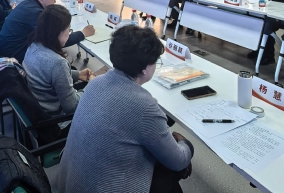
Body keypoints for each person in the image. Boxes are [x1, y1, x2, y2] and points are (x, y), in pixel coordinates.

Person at [56, 26, 194, 193]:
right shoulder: (145, 107)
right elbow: (178, 160)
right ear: (144, 69)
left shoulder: (96, 83)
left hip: (69, 185)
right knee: (175, 168)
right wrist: (185, 143)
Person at [22, 5, 94, 137]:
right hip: (57, 124)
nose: (69, 33)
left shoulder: (34, 45)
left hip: (41, 111)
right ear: (57, 32)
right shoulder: (57, 62)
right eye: (68, 30)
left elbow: (46, 75)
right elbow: (72, 107)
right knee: (101, 99)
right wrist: (92, 87)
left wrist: (77, 74)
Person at [0, 0, 95, 63]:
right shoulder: (36, 13)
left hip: (8, 51)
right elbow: (56, 41)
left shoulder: (26, 4)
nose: (55, 1)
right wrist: (83, 33)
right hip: (16, 57)